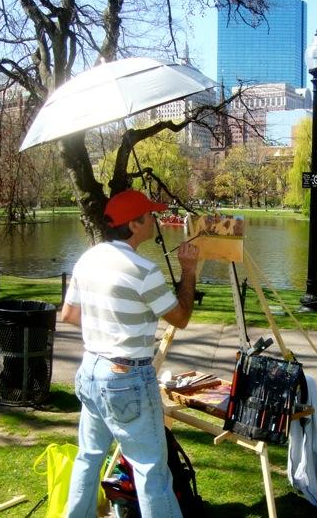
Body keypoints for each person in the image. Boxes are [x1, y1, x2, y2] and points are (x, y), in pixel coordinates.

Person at [61, 189, 199, 518]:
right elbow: (180, 318)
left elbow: (68, 314)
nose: (155, 220)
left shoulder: (88, 258)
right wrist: (189, 269)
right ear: (134, 224)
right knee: (151, 470)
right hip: (126, 378)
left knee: (89, 456)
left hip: (91, 370)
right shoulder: (142, 269)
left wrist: (109, 319)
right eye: (149, 216)